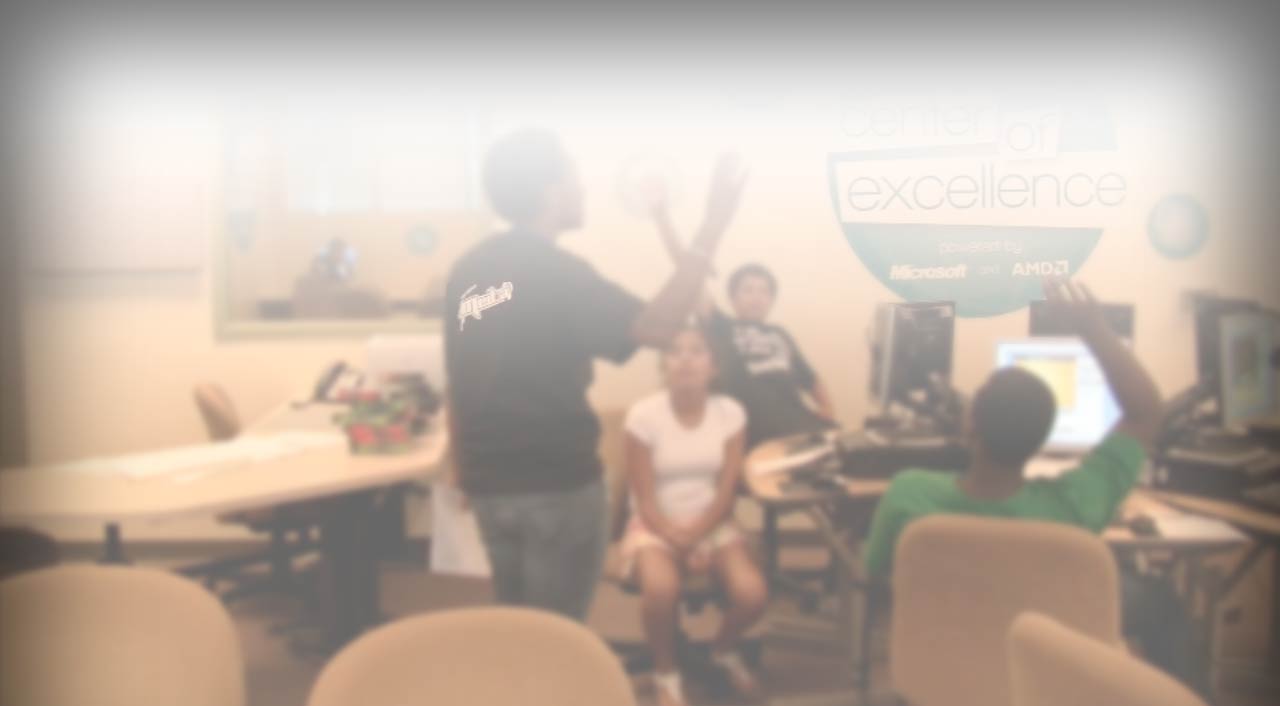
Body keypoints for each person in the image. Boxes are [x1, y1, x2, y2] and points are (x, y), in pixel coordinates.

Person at [443, 128, 747, 621]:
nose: (582, 189)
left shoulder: (471, 272)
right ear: (551, 193)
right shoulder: (559, 273)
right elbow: (659, 327)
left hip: (487, 485)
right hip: (554, 486)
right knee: (555, 634)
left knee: (514, 624)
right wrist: (712, 225)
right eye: (574, 178)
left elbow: (460, 374)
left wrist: (462, 465)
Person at [862, 277, 1206, 694]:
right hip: (1041, 687)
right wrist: (1094, 329)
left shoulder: (909, 494)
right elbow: (1146, 411)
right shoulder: (1076, 504)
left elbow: (875, 575)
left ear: (970, 424)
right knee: (1158, 601)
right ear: (1042, 439)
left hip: (937, 684)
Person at [622, 326, 768, 706]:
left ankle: (722, 651)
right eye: (675, 351)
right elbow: (644, 497)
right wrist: (678, 538)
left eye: (697, 351)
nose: (685, 359)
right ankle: (666, 674)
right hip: (656, 524)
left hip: (712, 522)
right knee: (661, 589)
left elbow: (726, 491)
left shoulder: (731, 413)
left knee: (752, 594)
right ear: (664, 364)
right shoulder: (643, 415)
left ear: (713, 367)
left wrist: (700, 534)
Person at [645, 188, 834, 448]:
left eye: (764, 291)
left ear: (771, 300)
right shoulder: (720, 326)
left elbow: (811, 379)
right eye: (748, 290)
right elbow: (687, 270)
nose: (756, 297)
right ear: (733, 298)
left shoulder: (780, 334)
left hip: (806, 430)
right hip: (761, 441)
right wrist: (662, 216)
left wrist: (827, 409)